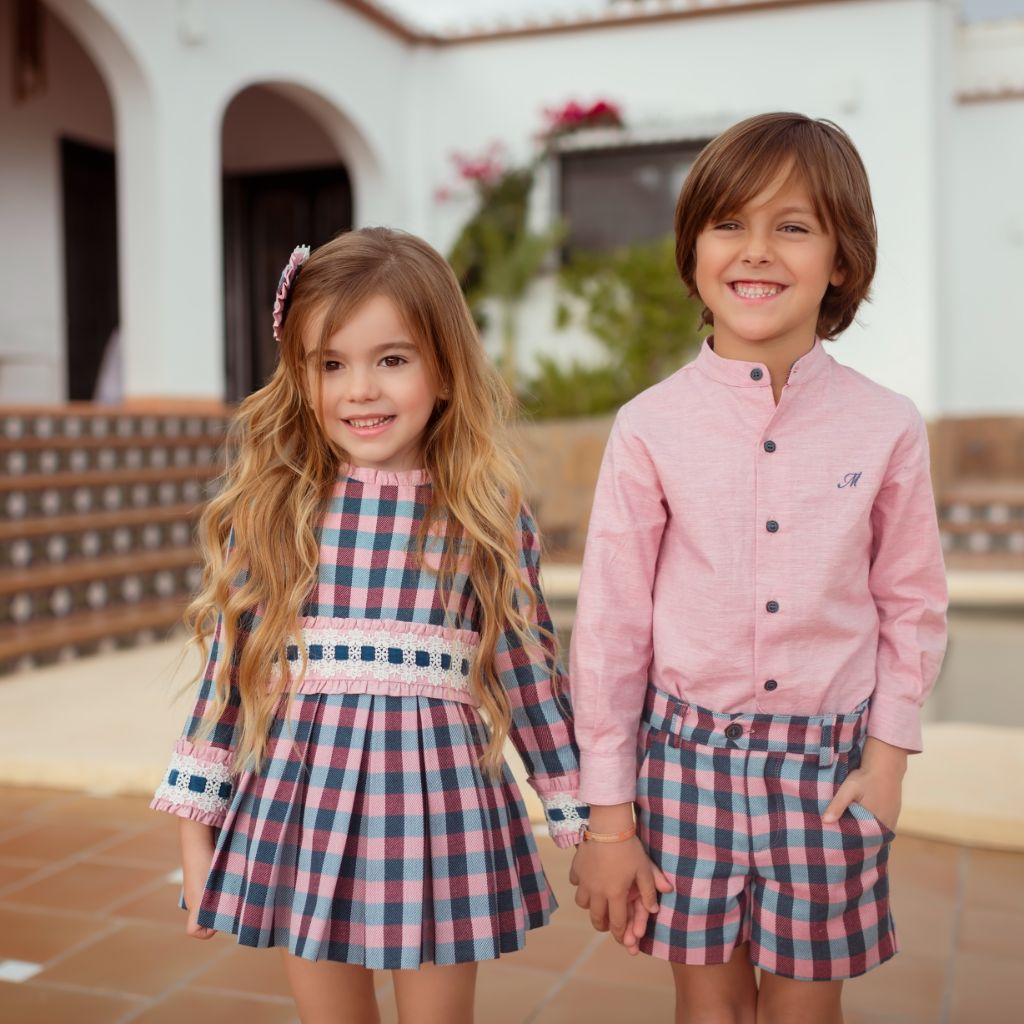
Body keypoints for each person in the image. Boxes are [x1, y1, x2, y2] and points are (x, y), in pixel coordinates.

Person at [151, 228, 588, 1024]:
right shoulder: (277, 511)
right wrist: (196, 823)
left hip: (440, 809)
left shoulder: (486, 518)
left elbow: (528, 674)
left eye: (392, 359)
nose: (360, 390)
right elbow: (228, 669)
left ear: (445, 370)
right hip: (304, 800)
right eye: (331, 363)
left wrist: (582, 819)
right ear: (302, 375)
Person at [568, 113, 948, 1024]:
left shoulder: (887, 425)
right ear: (694, 249)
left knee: (808, 1014)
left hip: (830, 773)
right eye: (730, 223)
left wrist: (889, 757)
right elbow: (611, 630)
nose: (758, 250)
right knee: (709, 1010)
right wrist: (609, 818)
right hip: (686, 767)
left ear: (841, 259)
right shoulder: (649, 427)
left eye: (794, 225)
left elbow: (913, 601)